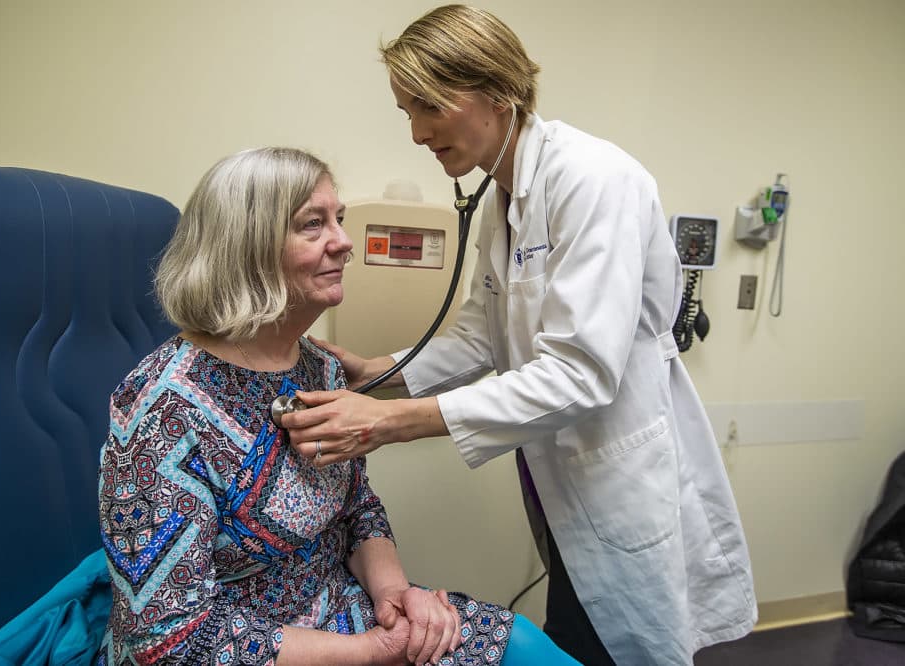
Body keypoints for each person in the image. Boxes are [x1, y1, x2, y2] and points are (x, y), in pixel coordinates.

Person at [281, 5, 758, 665]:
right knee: (575, 630)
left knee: (616, 645)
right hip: (560, 474)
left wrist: (392, 424)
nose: (416, 132)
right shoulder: (502, 199)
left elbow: (582, 373)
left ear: (495, 91)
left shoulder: (594, 181)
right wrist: (376, 373)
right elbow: (481, 334)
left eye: (428, 107)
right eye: (405, 112)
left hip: (617, 472)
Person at [96, 147, 580, 666]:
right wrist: (370, 652)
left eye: (340, 220)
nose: (345, 242)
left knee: (524, 645)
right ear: (248, 245)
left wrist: (395, 596)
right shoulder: (161, 409)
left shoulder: (320, 369)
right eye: (313, 224)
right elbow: (171, 643)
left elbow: (357, 509)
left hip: (341, 612)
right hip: (256, 648)